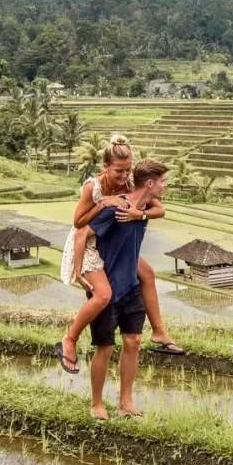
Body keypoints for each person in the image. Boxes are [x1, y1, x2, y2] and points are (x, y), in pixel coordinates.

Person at [56, 135, 182, 375]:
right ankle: (69, 339)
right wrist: (103, 204)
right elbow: (79, 224)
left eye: (128, 170)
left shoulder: (130, 183)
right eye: (119, 171)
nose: (125, 176)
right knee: (103, 295)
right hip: (90, 242)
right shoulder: (93, 187)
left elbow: (159, 208)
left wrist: (139, 215)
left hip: (110, 241)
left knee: (147, 273)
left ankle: (159, 330)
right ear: (106, 167)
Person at [85, 158, 168, 420]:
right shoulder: (115, 208)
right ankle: (96, 403)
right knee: (105, 348)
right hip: (108, 286)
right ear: (151, 183)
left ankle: (125, 402)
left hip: (132, 285)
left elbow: (159, 210)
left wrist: (140, 213)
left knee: (133, 341)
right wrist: (79, 270)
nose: (165, 186)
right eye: (163, 182)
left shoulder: (143, 208)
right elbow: (82, 233)